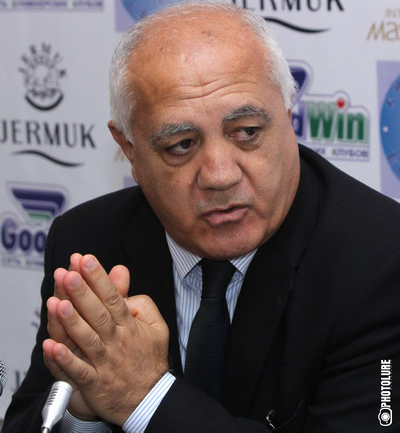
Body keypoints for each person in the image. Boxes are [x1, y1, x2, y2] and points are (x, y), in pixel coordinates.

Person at [2, 2, 400, 432]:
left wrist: (142, 397)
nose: (219, 175)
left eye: (247, 132)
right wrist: (83, 410)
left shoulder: (381, 262)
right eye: (181, 145)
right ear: (129, 150)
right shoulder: (87, 244)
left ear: (288, 117)